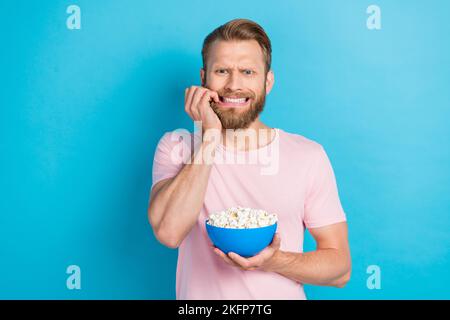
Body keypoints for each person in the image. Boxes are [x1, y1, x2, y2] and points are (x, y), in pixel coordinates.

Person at [148, 18, 351, 299]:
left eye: (247, 71)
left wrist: (274, 260)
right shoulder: (177, 147)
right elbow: (169, 233)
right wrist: (209, 137)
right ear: (203, 78)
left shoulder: (308, 156)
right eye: (222, 71)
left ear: (267, 82)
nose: (234, 85)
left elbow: (340, 269)